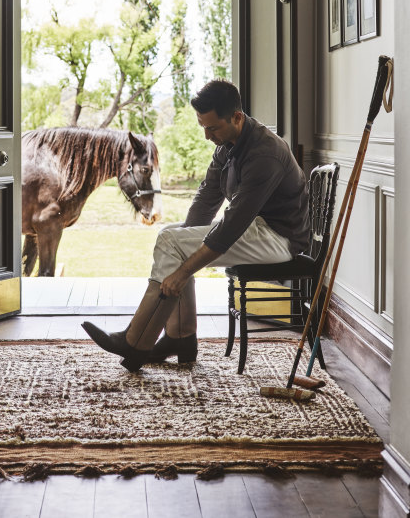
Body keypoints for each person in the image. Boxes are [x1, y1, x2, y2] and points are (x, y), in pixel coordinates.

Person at [82, 78, 310, 372]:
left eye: (212, 127)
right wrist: (184, 238)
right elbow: (207, 198)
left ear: (237, 118)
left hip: (278, 238)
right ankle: (180, 337)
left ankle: (136, 340)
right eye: (203, 126)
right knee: (171, 235)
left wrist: (184, 270)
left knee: (173, 244)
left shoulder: (265, 153)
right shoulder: (228, 144)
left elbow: (232, 224)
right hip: (255, 228)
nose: (206, 135)